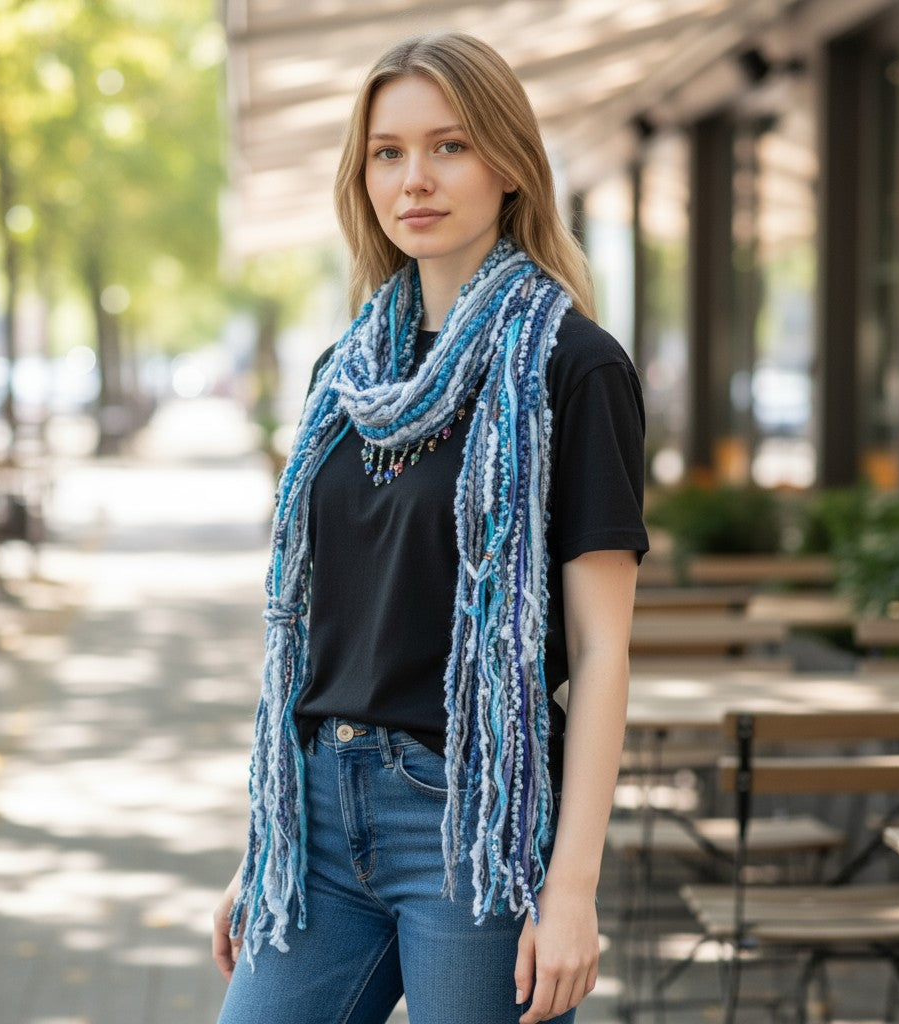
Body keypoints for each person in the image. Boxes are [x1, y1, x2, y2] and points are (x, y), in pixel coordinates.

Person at [212, 31, 648, 1024]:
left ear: (509, 165)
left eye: (449, 145)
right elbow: (322, 627)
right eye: (388, 152)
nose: (415, 177)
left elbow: (602, 650)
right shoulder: (342, 377)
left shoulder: (573, 367)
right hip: (319, 815)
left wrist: (572, 889)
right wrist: (267, 839)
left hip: (472, 822)